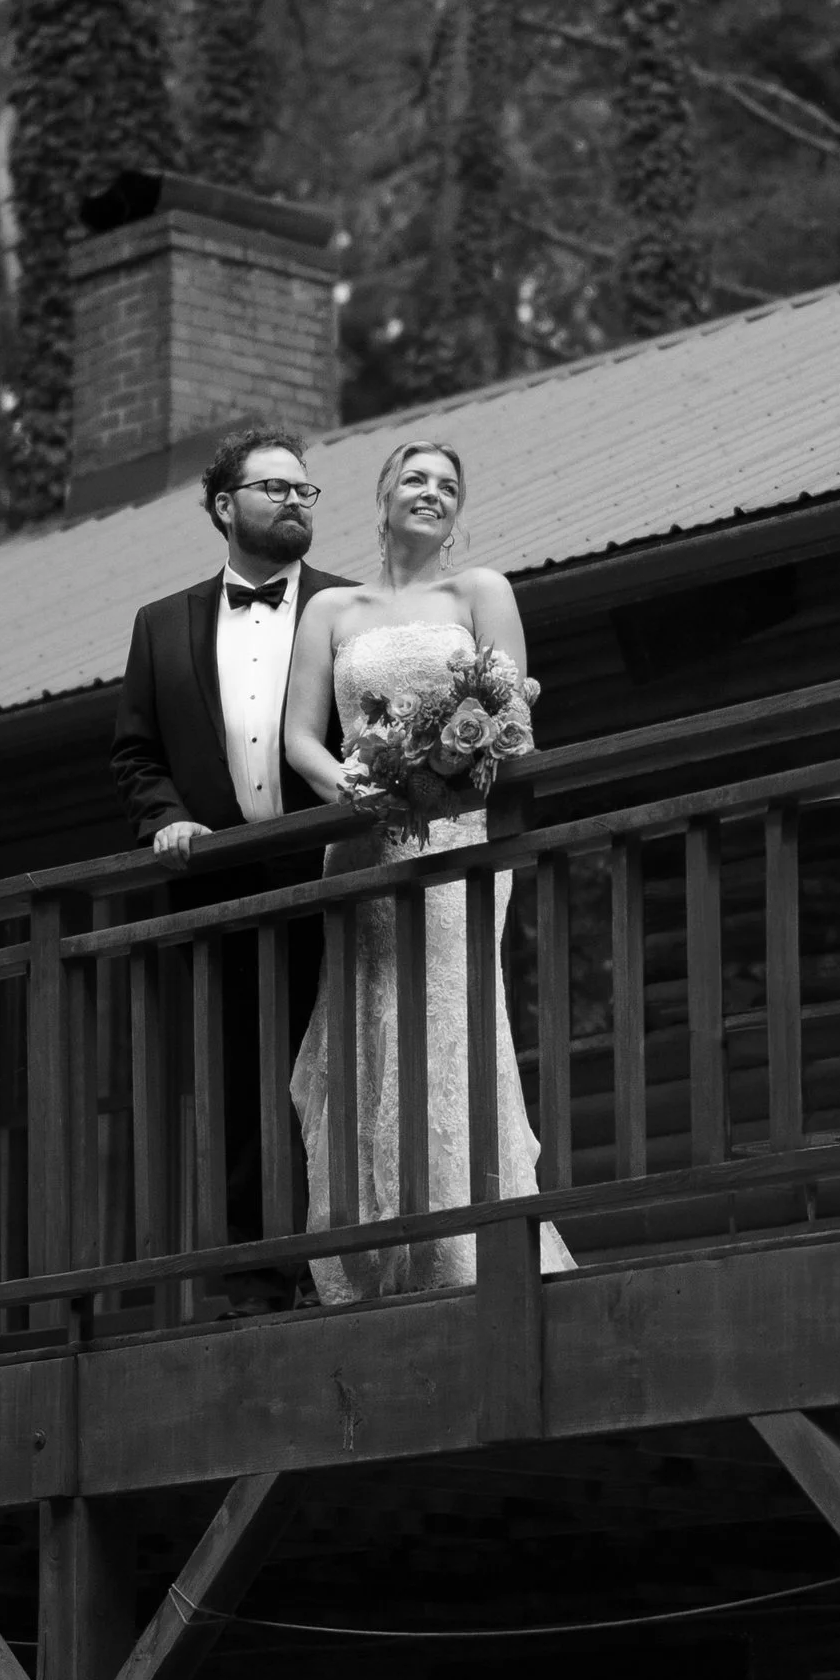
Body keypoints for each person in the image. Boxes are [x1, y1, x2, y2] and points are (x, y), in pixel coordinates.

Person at [281, 440, 574, 1302]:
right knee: (369, 1026)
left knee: (450, 1018)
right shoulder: (331, 609)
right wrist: (353, 784)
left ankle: (471, 1247)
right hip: (364, 843)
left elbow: (513, 716)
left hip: (454, 843)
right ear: (381, 497)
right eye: (415, 479)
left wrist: (445, 771)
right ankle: (380, 1258)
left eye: (448, 485)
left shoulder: (480, 592)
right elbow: (301, 732)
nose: (432, 494)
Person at [109, 421, 351, 1311]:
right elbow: (136, 755)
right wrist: (167, 821)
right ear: (223, 506)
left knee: (344, 1067)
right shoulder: (160, 626)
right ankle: (255, 1274)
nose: (295, 501)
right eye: (275, 488)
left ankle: (353, 1257)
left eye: (304, 490)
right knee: (242, 1079)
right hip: (220, 884)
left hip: (333, 871)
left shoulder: (350, 605)